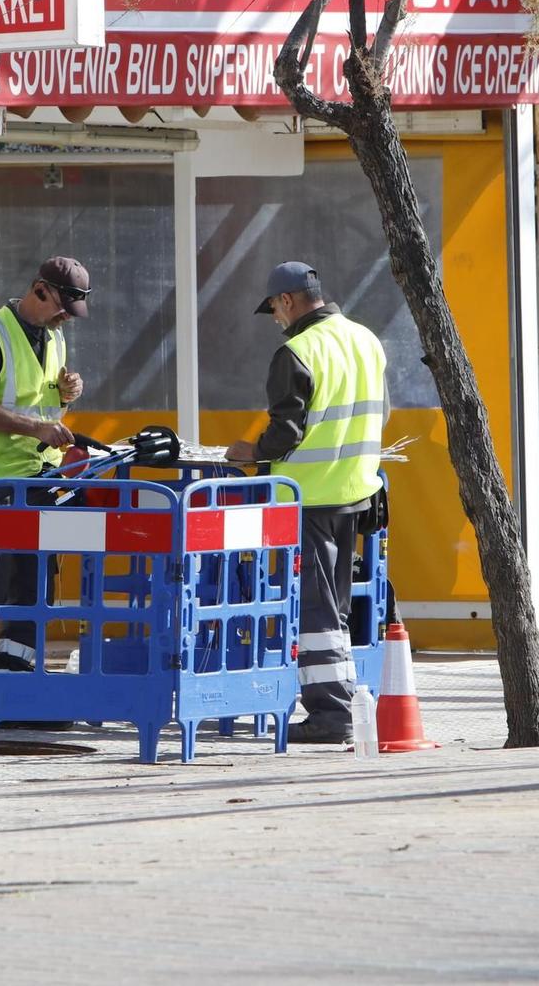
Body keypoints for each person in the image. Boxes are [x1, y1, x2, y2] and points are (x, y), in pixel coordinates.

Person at [228, 261, 386, 744]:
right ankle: (345, 704)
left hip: (309, 496)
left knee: (316, 611)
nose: (276, 317)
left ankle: (331, 716)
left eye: (274, 308)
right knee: (335, 608)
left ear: (288, 301)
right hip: (355, 492)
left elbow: (286, 432)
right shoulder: (365, 339)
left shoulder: (296, 351)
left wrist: (249, 453)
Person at [0, 256, 90, 672]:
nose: (66, 319)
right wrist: (35, 428)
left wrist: (67, 394)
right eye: (62, 308)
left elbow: (41, 400)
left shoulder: (53, 336)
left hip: (38, 477)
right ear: (39, 289)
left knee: (33, 579)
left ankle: (15, 672)